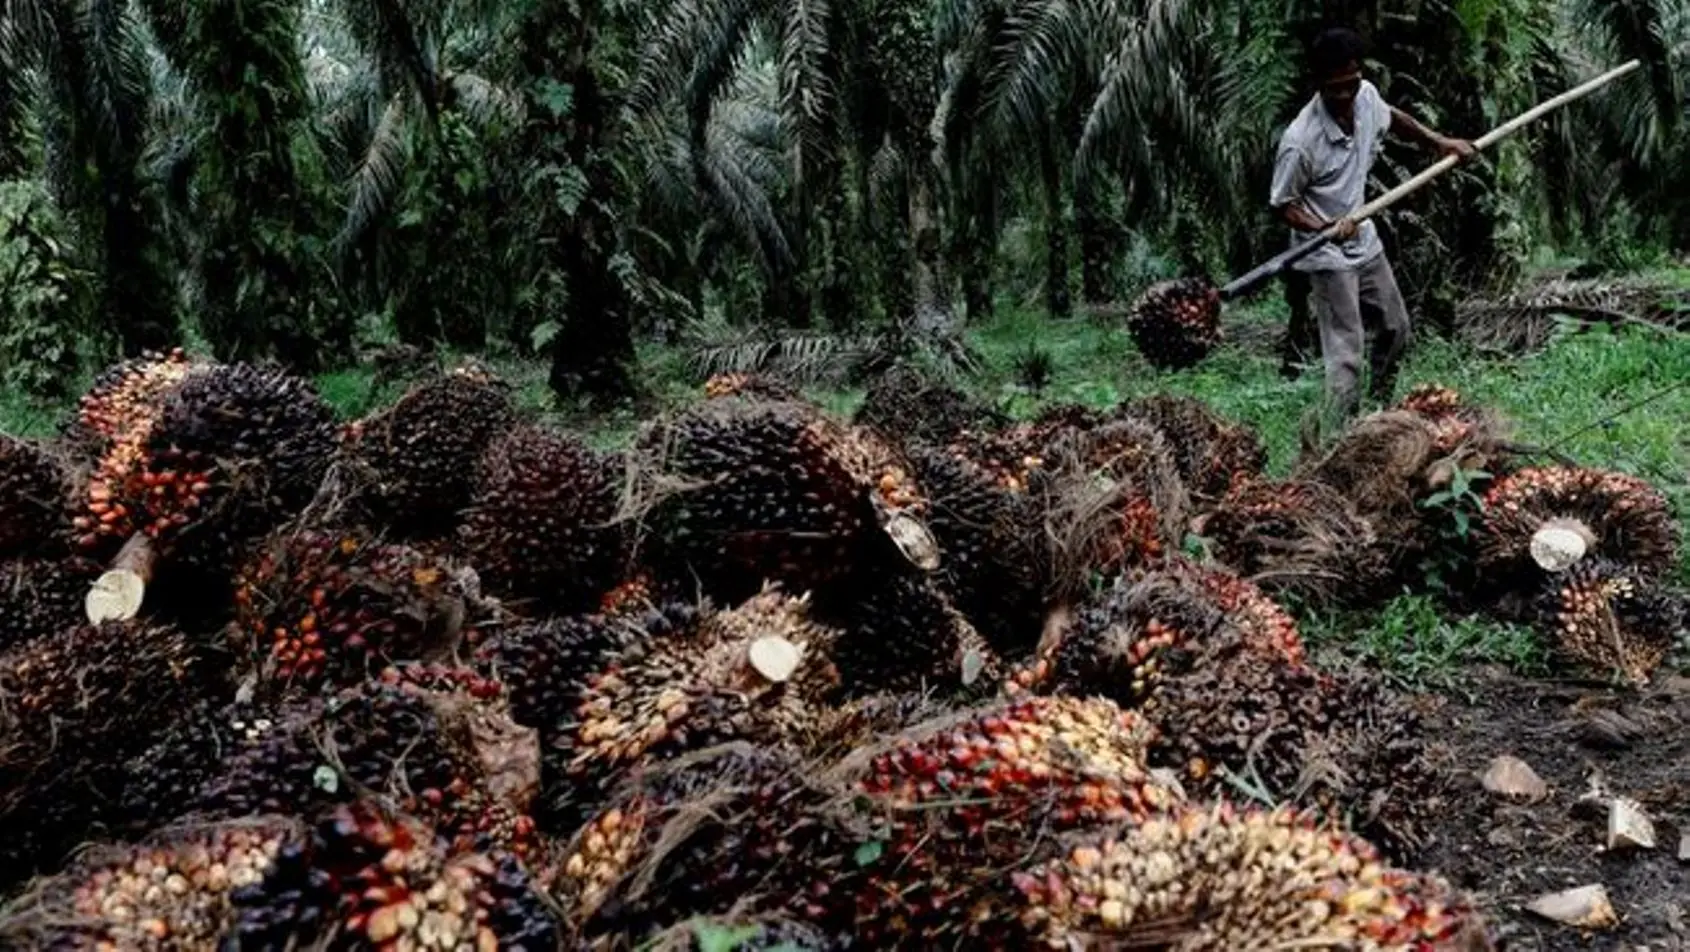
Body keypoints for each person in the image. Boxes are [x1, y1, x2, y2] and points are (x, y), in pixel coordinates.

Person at [1269, 26, 1476, 424]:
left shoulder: (1365, 97)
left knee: (1396, 328)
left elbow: (1393, 118)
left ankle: (1380, 416)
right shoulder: (1300, 140)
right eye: (1336, 89)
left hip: (1363, 241)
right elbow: (1284, 205)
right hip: (1327, 252)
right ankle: (1342, 435)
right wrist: (1323, 227)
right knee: (1347, 353)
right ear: (1318, 84)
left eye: (1351, 84)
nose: (1346, 97)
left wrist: (1438, 142)